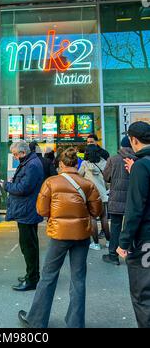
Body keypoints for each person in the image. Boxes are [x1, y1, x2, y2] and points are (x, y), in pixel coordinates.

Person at [18, 148, 102, 329]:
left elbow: (41, 210)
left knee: (48, 276)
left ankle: (36, 321)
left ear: (61, 164)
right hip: (81, 235)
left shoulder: (51, 183)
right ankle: (75, 323)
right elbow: (96, 212)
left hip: (59, 235)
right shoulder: (87, 184)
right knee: (78, 278)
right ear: (75, 164)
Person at [117, 122, 150, 328]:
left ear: (133, 140)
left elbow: (135, 208)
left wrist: (124, 242)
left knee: (143, 295)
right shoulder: (141, 165)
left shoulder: (142, 165)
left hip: (145, 240)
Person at [2, 140, 44, 292]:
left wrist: (6, 185)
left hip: (27, 210)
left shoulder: (31, 165)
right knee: (29, 244)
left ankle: (32, 279)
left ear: (23, 152)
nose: (14, 157)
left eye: (15, 154)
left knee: (28, 246)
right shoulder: (30, 162)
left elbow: (23, 188)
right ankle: (31, 275)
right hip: (27, 209)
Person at [102, 136, 137, 266]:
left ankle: (113, 255)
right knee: (132, 225)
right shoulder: (138, 159)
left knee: (116, 227)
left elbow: (106, 177)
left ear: (121, 145)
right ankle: (132, 254)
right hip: (133, 199)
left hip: (116, 198)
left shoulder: (113, 159)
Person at [79, 144, 110, 250]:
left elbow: (79, 177)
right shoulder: (104, 163)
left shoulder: (85, 164)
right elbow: (108, 178)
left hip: (91, 195)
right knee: (104, 218)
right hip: (103, 194)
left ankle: (96, 244)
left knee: (92, 219)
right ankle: (109, 242)